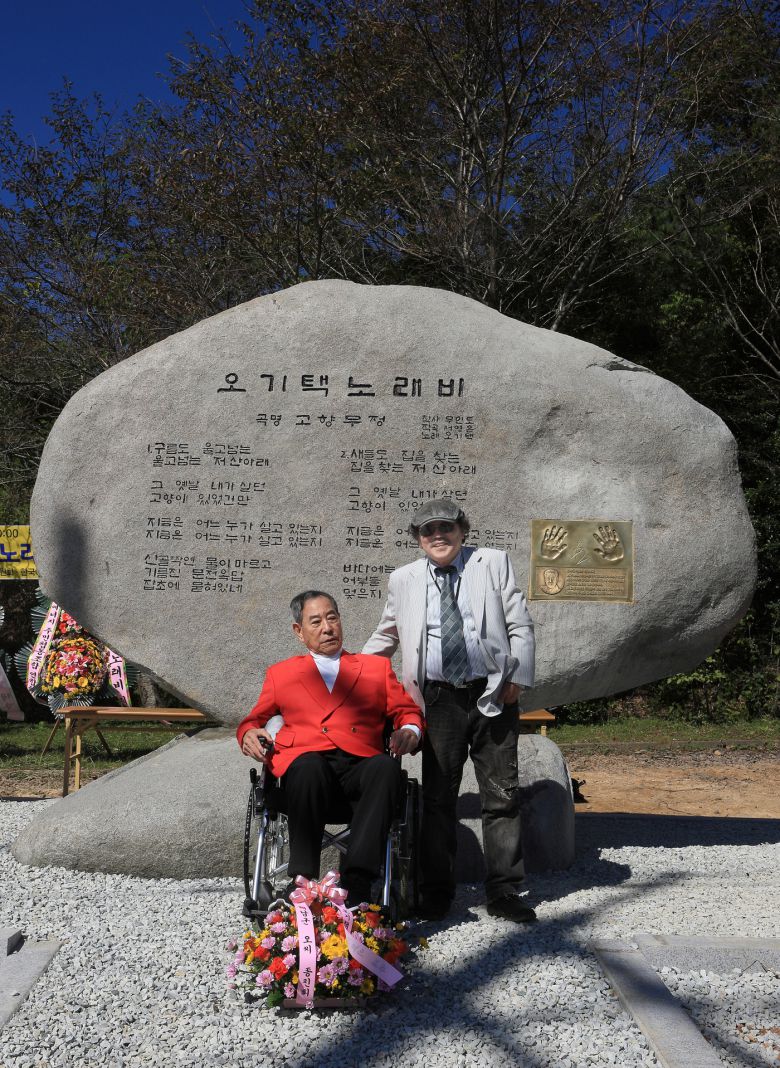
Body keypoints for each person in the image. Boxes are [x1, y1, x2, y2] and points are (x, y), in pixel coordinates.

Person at [363, 499, 536, 922]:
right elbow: (386, 635)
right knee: (438, 800)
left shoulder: (492, 563)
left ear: (462, 531)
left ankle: (504, 891)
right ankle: (437, 891)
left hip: (492, 693)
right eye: (428, 530)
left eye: (446, 527)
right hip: (438, 701)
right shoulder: (403, 579)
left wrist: (518, 675)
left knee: (502, 795)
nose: (438, 535)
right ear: (418, 538)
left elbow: (519, 622)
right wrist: (346, 675)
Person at [237, 590, 422, 906]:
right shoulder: (281, 674)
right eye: (316, 621)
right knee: (308, 765)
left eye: (332, 617)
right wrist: (248, 734)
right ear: (299, 631)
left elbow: (407, 711)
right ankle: (301, 880)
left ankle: (358, 882)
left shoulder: (375, 668)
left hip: (360, 770)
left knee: (386, 767)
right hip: (306, 775)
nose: (327, 627)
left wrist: (411, 730)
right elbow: (254, 720)